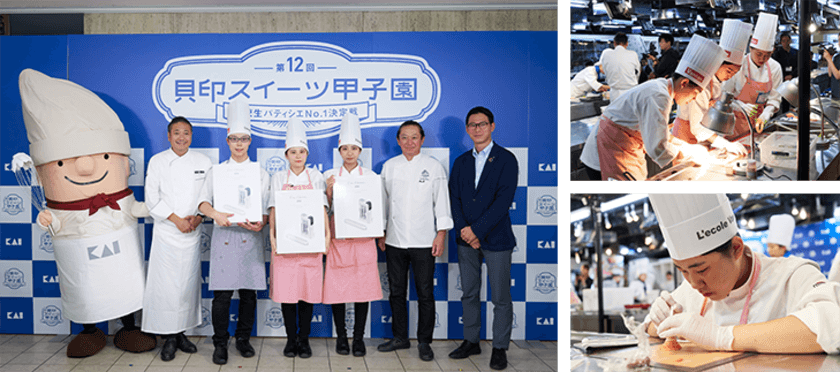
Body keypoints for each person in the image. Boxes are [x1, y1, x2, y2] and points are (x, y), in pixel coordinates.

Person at [20, 69, 156, 357]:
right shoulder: (61, 209)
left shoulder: (121, 200)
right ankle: (90, 330)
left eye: (105, 156)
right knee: (83, 286)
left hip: (119, 248)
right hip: (75, 244)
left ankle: (129, 326)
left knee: (124, 284)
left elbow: (137, 209)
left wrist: (156, 207)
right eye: (64, 161)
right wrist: (45, 219)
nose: (85, 166)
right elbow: (50, 223)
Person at [645, 194, 840, 353]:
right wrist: (660, 318)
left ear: (736, 249)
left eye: (702, 269)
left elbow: (832, 326)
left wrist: (720, 337)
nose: (694, 283)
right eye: (683, 271)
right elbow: (650, 327)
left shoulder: (792, 275)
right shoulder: (691, 288)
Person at [584, 34, 725, 181]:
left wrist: (688, 147)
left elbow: (662, 135)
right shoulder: (659, 95)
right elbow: (658, 146)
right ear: (683, 84)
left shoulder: (664, 90)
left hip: (622, 148)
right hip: (606, 152)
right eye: (695, 93)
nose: (695, 98)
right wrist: (690, 154)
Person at [196, 101, 269, 365]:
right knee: (222, 296)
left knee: (248, 293)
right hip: (224, 238)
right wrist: (215, 214)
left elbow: (266, 208)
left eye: (244, 139)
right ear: (227, 141)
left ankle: (243, 339)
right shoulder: (217, 171)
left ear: (250, 141)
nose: (239, 143)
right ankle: (220, 343)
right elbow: (202, 203)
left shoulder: (260, 173)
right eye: (234, 139)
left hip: (250, 237)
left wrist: (262, 221)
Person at [447, 106, 518, 371]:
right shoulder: (461, 162)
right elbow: (454, 199)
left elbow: (503, 202)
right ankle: (471, 340)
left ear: (492, 126)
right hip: (465, 238)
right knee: (469, 293)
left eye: (482, 124)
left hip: (497, 238)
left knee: (500, 297)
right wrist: (466, 230)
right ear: (467, 129)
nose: (477, 129)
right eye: (472, 125)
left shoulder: (506, 159)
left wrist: (476, 230)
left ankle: (500, 348)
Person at [376, 121, 453, 362]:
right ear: (398, 140)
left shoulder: (433, 167)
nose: (410, 142)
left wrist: (441, 233)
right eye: (405, 137)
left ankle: (424, 341)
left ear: (422, 139)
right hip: (395, 240)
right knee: (396, 292)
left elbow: (441, 202)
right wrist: (381, 231)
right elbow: (382, 203)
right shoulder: (389, 167)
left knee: (425, 294)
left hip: (424, 240)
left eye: (415, 137)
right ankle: (400, 337)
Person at [143, 116, 211, 361]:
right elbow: (152, 199)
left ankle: (182, 333)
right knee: (166, 288)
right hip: (167, 233)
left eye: (186, 133)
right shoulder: (158, 161)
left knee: (187, 286)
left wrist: (198, 218)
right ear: (169, 136)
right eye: (177, 133)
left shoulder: (203, 161)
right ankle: (168, 337)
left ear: (191, 136)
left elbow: (207, 194)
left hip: (192, 232)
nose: (182, 138)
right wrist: (176, 219)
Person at [267, 117, 331, 359]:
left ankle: (304, 341)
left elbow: (323, 209)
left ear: (307, 153)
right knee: (287, 296)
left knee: (306, 295)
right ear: (286, 154)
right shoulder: (277, 178)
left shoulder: (315, 176)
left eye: (301, 151)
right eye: (293, 152)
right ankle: (290, 339)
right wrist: (272, 237)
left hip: (309, 246)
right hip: (285, 246)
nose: (297, 156)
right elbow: (273, 209)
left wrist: (326, 236)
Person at [322, 113, 383, 357]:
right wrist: (327, 193)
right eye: (345, 148)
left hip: (364, 240)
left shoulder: (370, 177)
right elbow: (323, 211)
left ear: (360, 150)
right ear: (339, 151)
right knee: (338, 290)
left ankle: (358, 339)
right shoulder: (330, 175)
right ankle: (342, 338)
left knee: (362, 290)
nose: (349, 153)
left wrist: (380, 233)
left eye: (354, 148)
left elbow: (378, 209)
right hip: (338, 238)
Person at [671, 19, 752, 156]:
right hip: (686, 135)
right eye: (729, 71)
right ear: (717, 64)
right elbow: (696, 127)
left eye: (734, 73)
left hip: (705, 135)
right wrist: (725, 143)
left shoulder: (719, 81)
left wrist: (738, 105)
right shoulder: (700, 86)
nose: (730, 76)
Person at [722, 12, 784, 139]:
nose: (763, 58)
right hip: (734, 123)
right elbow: (723, 96)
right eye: (759, 54)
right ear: (751, 49)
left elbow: (775, 98)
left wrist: (766, 114)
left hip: (759, 123)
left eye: (768, 55)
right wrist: (741, 106)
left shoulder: (775, 67)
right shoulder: (739, 65)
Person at [599, 32, 641, 102]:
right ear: (627, 43)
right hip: (630, 91)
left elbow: (605, 71)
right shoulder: (633, 54)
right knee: (630, 112)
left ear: (614, 43)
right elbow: (638, 72)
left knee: (615, 112)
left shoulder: (606, 54)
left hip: (614, 93)